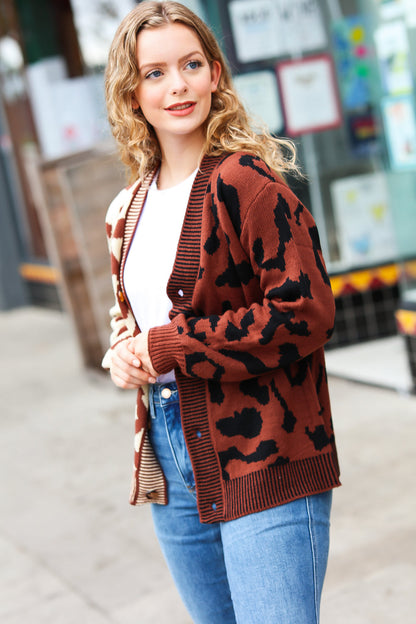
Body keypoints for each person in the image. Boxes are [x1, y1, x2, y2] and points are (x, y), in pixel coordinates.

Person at [103, 2, 341, 622]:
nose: (177, 85)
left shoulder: (246, 184)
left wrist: (167, 347)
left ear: (215, 74)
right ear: (131, 95)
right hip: (171, 446)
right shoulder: (126, 210)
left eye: (190, 65)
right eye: (154, 73)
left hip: (265, 443)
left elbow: (305, 312)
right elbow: (149, 318)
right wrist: (127, 349)